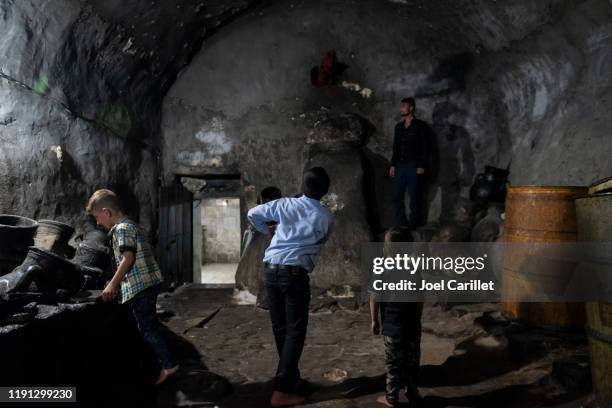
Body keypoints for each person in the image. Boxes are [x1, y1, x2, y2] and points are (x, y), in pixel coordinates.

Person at [247, 167, 333, 407]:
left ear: (303, 186)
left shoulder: (284, 204)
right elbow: (321, 239)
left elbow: (253, 214)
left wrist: (269, 230)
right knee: (295, 332)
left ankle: (290, 378)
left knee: (281, 328)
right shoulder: (325, 216)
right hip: (294, 275)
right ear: (325, 191)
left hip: (271, 271)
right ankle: (281, 390)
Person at [85, 189, 178, 386]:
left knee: (147, 326)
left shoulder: (121, 229)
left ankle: (169, 365)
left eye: (97, 217)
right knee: (147, 324)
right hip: (147, 282)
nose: (98, 222)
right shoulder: (130, 224)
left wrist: (112, 284)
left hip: (141, 285)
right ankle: (162, 359)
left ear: (106, 212)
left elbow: (128, 258)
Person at [370, 227, 423, 407]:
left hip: (392, 328)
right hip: (413, 326)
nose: (384, 247)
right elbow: (420, 297)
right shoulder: (413, 267)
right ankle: (412, 391)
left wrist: (374, 320)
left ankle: (391, 397)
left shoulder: (382, 268)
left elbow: (374, 297)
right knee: (412, 361)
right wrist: (418, 318)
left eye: (387, 244)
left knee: (393, 364)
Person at [390, 97, 430, 228]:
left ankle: (414, 224)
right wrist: (392, 165)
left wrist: (421, 165)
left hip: (413, 165)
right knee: (396, 195)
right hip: (400, 165)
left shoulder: (420, 126)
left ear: (411, 108)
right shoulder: (399, 127)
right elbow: (395, 148)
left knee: (414, 196)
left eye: (403, 106)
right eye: (401, 107)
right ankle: (402, 223)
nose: (401, 109)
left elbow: (426, 147)